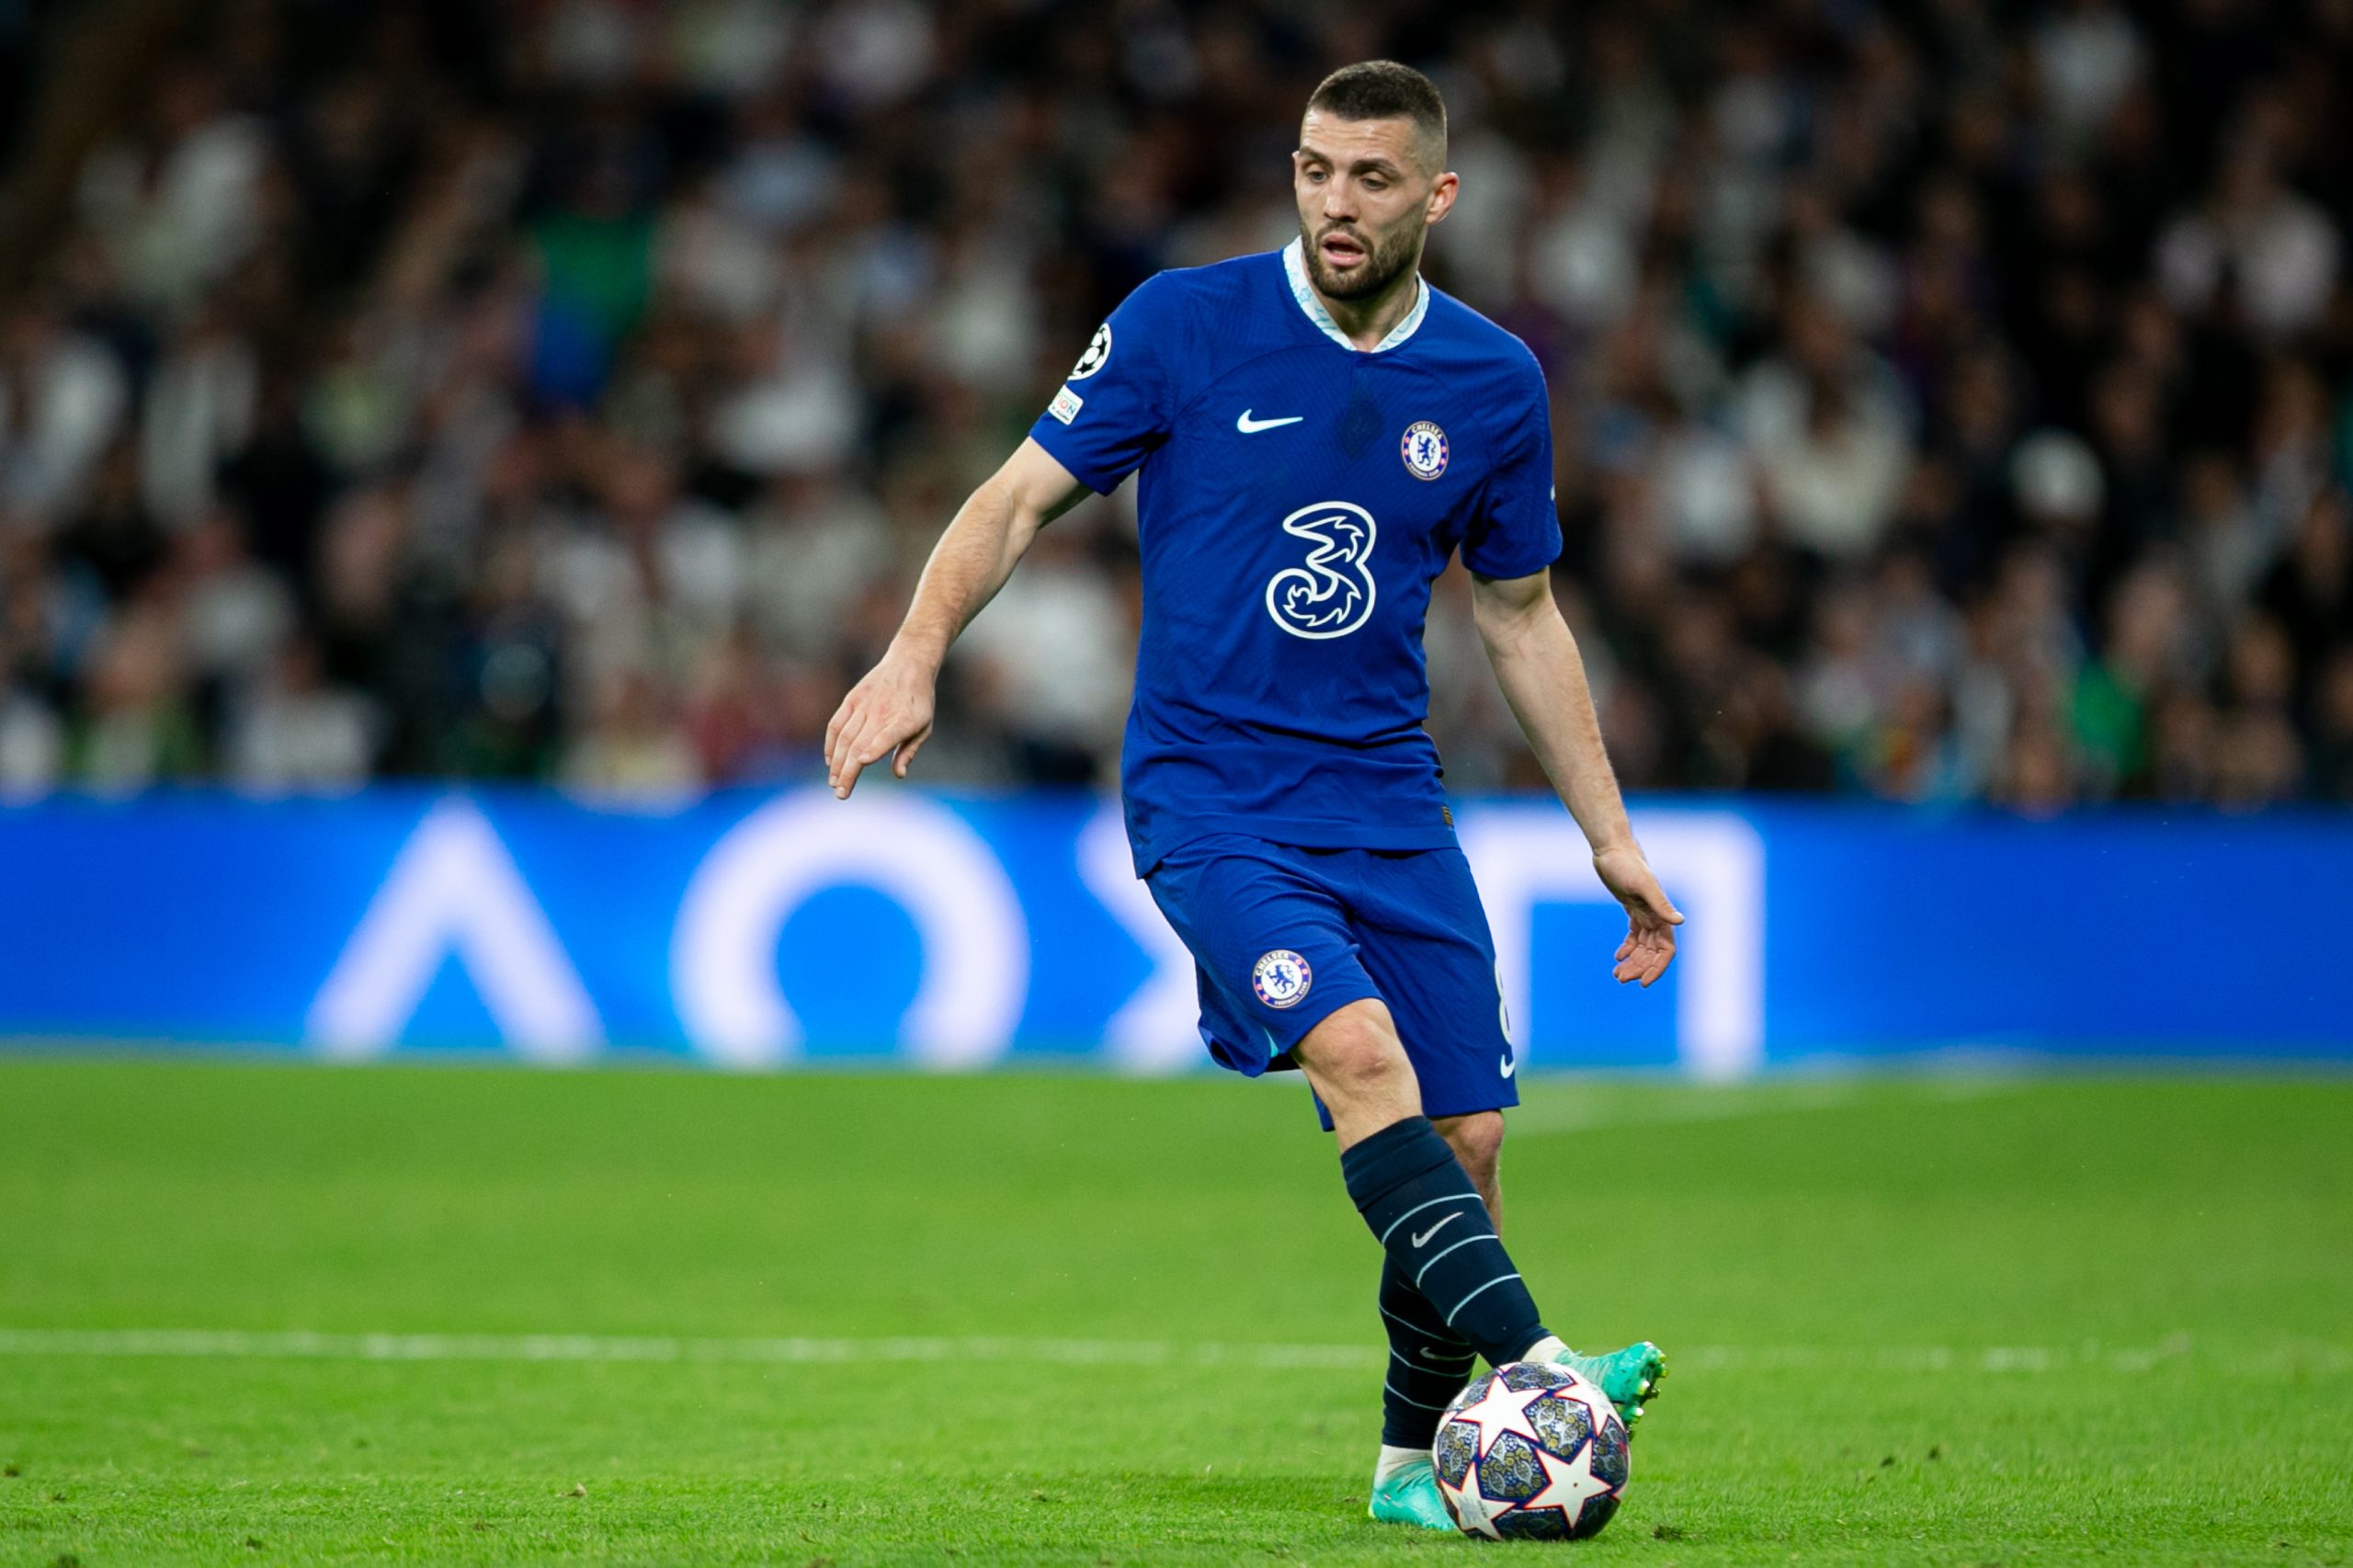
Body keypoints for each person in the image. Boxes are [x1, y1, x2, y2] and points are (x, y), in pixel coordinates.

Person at [824, 60, 1683, 1531]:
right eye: (1311, 170)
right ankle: (1541, 1366)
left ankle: (1410, 1470)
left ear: (1437, 196)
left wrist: (1610, 836)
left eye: (1367, 179)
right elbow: (1017, 494)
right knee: (1360, 1056)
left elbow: (1524, 615)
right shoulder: (1183, 325)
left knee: (1469, 1138)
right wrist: (915, 653)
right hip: (1210, 797)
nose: (1333, 204)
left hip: (1390, 803)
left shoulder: (1490, 382)